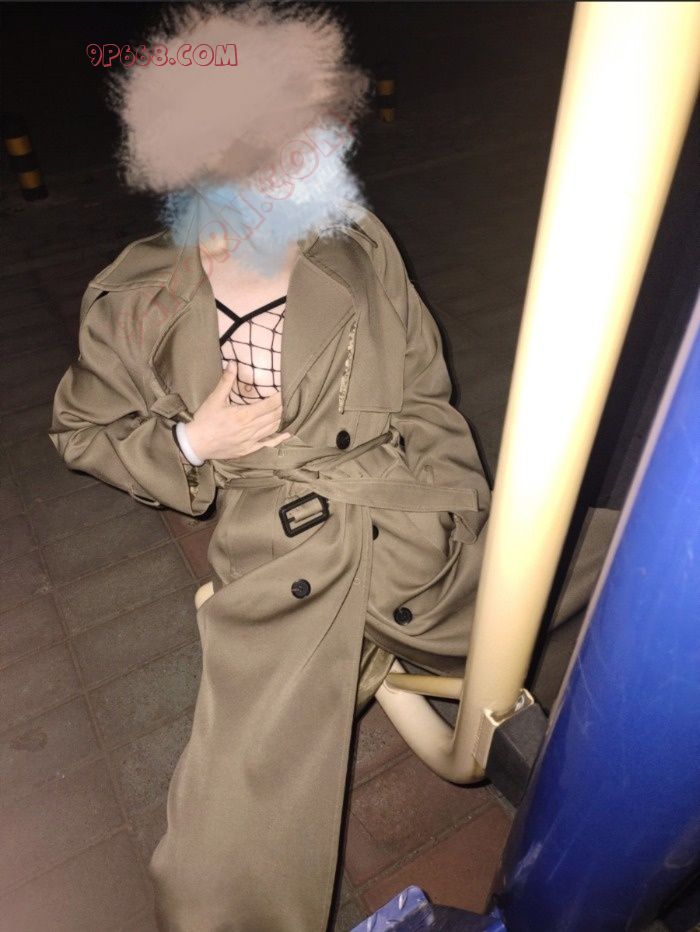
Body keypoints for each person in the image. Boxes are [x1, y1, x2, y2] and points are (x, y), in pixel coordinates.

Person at [49, 3, 618, 929]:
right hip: (281, 572)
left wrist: (458, 506)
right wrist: (194, 445)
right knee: (222, 869)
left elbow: (427, 393)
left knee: (627, 555)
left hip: (418, 541)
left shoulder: (355, 244)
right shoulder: (135, 300)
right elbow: (79, 428)